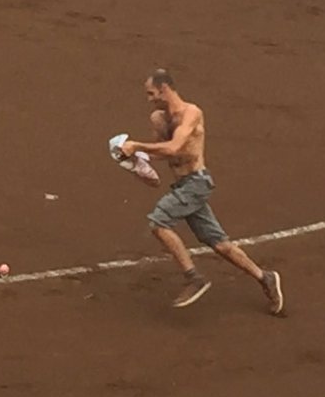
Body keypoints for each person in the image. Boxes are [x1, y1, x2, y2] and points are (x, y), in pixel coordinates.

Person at [120, 70, 285, 314]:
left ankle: (194, 277)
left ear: (165, 89)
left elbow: (175, 146)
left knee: (158, 223)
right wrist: (134, 160)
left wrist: (137, 145)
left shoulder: (192, 113)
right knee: (220, 244)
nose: (149, 99)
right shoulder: (158, 118)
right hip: (183, 186)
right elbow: (161, 153)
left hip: (197, 182)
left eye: (151, 93)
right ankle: (265, 277)